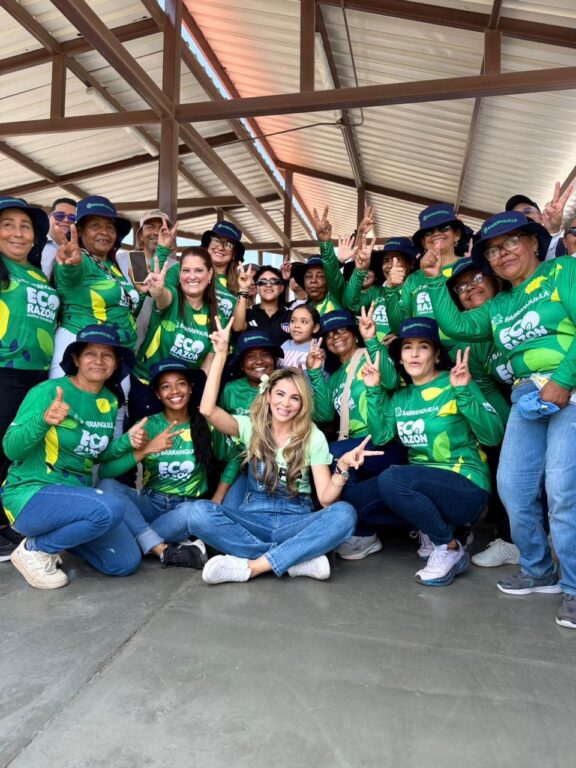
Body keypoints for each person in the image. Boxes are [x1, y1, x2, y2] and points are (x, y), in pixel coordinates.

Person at [421, 210, 576, 627]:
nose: (501, 253)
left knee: (563, 490)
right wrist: (436, 279)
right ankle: (540, 570)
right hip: (528, 395)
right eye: (492, 249)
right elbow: (454, 323)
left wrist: (563, 379)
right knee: (513, 488)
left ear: (532, 243)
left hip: (571, 389)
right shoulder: (501, 303)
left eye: (510, 243)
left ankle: (575, 587)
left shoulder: (564, 270)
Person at [176, 316, 368, 585]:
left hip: (296, 518)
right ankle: (296, 559)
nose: (286, 403)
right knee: (197, 513)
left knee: (345, 514)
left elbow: (325, 500)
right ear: (267, 396)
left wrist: (343, 469)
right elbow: (208, 410)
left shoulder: (312, 435)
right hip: (253, 516)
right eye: (280, 394)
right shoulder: (251, 427)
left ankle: (253, 566)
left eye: (294, 398)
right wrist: (220, 355)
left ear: (302, 404)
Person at [358, 317, 504, 586]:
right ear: (400, 357)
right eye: (407, 347)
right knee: (357, 501)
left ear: (436, 355)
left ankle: (448, 546)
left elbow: (493, 436)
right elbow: (381, 436)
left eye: (423, 347)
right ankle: (438, 528)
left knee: (392, 479)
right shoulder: (401, 397)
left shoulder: (456, 381)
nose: (414, 353)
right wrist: (373, 389)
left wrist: (463, 393)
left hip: (466, 486)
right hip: (425, 485)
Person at [2, 326, 145, 589]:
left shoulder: (109, 402)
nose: (99, 361)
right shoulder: (48, 391)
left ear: (116, 365)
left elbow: (98, 456)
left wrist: (129, 442)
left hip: (74, 499)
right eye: (90, 353)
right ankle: (35, 549)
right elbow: (11, 449)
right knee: (110, 507)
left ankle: (58, 539)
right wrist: (43, 420)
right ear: (76, 359)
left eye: (107, 355)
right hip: (32, 493)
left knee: (124, 562)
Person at [97, 359, 240, 567]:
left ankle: (141, 537)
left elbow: (235, 456)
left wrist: (217, 498)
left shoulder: (207, 424)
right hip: (149, 503)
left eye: (181, 383)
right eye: (165, 386)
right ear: (157, 394)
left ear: (191, 388)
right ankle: (161, 548)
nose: (174, 391)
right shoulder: (148, 425)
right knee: (106, 488)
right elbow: (105, 473)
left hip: (185, 508)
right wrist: (146, 449)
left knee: (195, 512)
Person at [306, 307, 406, 560]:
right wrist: (316, 373)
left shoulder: (368, 356)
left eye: (342, 331)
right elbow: (326, 415)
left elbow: (392, 380)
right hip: (356, 446)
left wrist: (372, 340)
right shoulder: (337, 375)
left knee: (332, 453)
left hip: (385, 443)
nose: (336, 337)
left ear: (354, 334)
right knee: (330, 457)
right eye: (330, 335)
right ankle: (344, 527)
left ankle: (362, 534)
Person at [445, 257, 517, 568]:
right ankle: (511, 540)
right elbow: (487, 388)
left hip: (560, 393)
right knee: (504, 463)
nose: (468, 290)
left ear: (495, 280)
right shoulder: (467, 340)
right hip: (514, 407)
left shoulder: (513, 307)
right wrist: (506, 428)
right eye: (461, 288)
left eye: (476, 280)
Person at [0, 196, 57, 560]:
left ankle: (8, 521)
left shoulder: (37, 273)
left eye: (26, 226)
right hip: (5, 371)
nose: (18, 233)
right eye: (8, 224)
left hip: (37, 376)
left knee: (20, 452)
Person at [50, 195, 140, 378]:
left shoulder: (113, 267)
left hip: (115, 354)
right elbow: (69, 272)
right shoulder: (80, 260)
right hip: (81, 350)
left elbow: (125, 310)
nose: (104, 232)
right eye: (95, 225)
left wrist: (142, 293)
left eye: (109, 226)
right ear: (80, 231)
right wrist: (69, 263)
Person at [128, 246, 221, 424]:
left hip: (183, 397)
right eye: (186, 270)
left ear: (209, 275)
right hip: (147, 387)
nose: (191, 276)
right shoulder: (173, 297)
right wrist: (157, 291)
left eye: (199, 270)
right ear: (179, 275)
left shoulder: (217, 316)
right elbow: (162, 297)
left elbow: (206, 370)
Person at [383, 203, 468, 336]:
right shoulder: (413, 279)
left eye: (444, 228)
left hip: (465, 352)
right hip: (427, 352)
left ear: (456, 235)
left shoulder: (470, 267)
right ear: (423, 242)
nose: (436, 234)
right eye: (429, 233)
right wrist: (390, 289)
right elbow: (398, 327)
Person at [116, 209, 179, 349]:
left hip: (158, 342)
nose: (156, 232)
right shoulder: (123, 259)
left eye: (163, 228)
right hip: (126, 337)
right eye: (150, 227)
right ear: (140, 236)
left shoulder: (176, 267)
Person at [344, 235, 418, 343]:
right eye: (386, 260)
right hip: (374, 352)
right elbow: (351, 304)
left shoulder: (418, 290)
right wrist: (360, 271)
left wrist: (403, 334)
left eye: (396, 259)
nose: (389, 265)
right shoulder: (377, 292)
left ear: (411, 264)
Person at [505, 182, 574, 260]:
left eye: (527, 211)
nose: (522, 217)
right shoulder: (508, 255)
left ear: (541, 217)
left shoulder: (565, 245)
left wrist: (554, 230)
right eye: (516, 216)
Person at [233, 265, 290, 346]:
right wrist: (243, 289)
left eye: (274, 281)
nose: (268, 285)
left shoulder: (291, 315)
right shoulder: (248, 313)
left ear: (281, 288)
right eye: (262, 282)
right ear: (257, 287)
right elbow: (237, 328)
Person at [200, 220, 245, 320]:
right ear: (208, 244)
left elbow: (238, 327)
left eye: (228, 244)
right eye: (216, 240)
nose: (220, 247)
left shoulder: (240, 285)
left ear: (234, 254)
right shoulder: (185, 270)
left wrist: (243, 290)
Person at [40, 197, 77, 278]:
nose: (66, 220)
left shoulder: (77, 250)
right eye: (60, 215)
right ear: (49, 217)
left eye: (72, 217)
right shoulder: (34, 242)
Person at [279, 304, 321, 371]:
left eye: (304, 322)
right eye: (293, 321)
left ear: (315, 328)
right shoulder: (285, 345)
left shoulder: (317, 350)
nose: (297, 325)